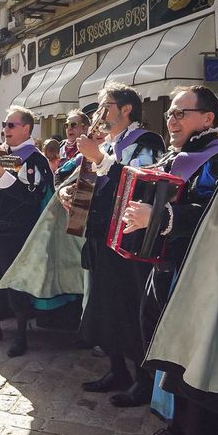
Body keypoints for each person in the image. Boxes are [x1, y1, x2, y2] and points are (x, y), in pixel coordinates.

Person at [114, 87, 218, 435]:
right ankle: (177, 429)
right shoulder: (178, 156)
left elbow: (211, 215)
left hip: (201, 274)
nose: (172, 120)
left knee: (193, 358)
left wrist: (156, 218)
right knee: (171, 353)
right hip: (167, 266)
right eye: (169, 113)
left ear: (208, 118)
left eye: (181, 113)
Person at [76, 83, 165, 401]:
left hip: (131, 238)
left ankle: (142, 379)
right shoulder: (110, 142)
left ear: (127, 109)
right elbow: (95, 181)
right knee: (107, 305)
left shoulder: (148, 140)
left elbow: (143, 181)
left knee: (131, 306)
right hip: (103, 234)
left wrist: (98, 157)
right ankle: (117, 369)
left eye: (105, 105)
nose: (100, 113)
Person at [0, 107, 54, 356]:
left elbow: (29, 197)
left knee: (16, 283)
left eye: (11, 125)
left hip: (16, 232)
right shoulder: (6, 155)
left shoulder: (35, 159)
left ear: (26, 128)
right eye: (4, 125)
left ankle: (21, 336)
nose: (5, 130)